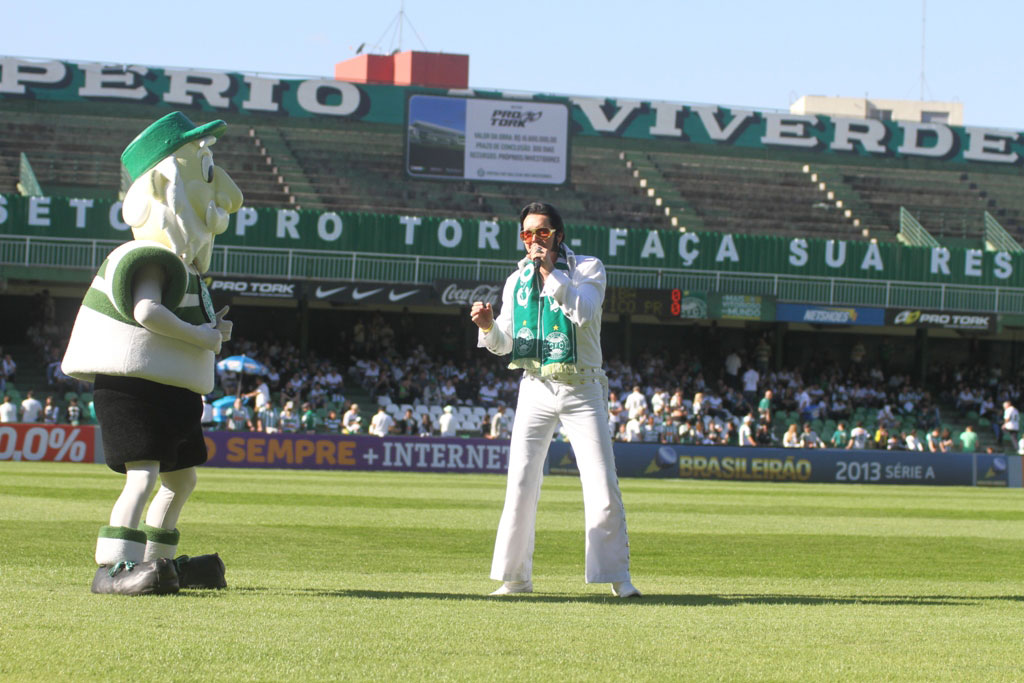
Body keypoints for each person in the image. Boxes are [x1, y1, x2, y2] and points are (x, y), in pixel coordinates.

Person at [60, 112, 242, 594]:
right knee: (142, 477)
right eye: (204, 170)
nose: (226, 195)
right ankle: (114, 566)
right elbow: (147, 312)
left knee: (181, 482)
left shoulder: (186, 270)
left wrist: (212, 328)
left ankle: (161, 562)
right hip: (133, 388)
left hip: (173, 390)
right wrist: (201, 337)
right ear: (167, 181)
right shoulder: (150, 258)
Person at [470, 202, 638, 598]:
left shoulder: (589, 268)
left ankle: (618, 577)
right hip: (535, 385)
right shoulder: (516, 281)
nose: (534, 241)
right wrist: (488, 327)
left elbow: (584, 311)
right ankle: (515, 578)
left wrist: (548, 272)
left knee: (601, 484)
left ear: (558, 236)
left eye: (541, 233)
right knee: (521, 483)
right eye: (527, 234)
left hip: (583, 387)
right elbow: (507, 345)